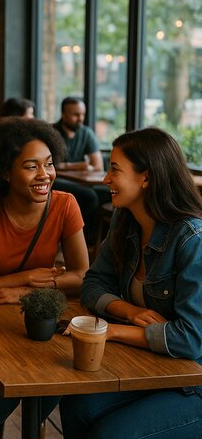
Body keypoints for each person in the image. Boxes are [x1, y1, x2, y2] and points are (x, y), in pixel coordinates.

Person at [0, 117, 90, 438]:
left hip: (32, 325)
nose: (44, 175)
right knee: (1, 385)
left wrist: (26, 292)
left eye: (49, 164)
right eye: (31, 166)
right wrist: (22, 278)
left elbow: (82, 277)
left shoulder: (65, 205)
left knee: (62, 375)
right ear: (5, 173)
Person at [59, 128, 202, 439]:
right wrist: (127, 310)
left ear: (146, 178)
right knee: (76, 406)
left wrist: (111, 330)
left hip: (195, 380)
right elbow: (93, 282)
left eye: (115, 169)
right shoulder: (126, 222)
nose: (105, 180)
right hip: (155, 367)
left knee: (109, 434)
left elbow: (190, 339)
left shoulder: (191, 239)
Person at [52, 96, 106, 242]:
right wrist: (80, 165)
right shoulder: (51, 132)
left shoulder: (86, 132)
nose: (80, 118)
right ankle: (85, 242)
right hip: (56, 181)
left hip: (82, 181)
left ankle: (102, 243)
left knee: (107, 193)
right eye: (76, 114)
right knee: (89, 196)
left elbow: (97, 166)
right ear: (63, 114)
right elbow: (49, 166)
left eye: (82, 114)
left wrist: (65, 166)